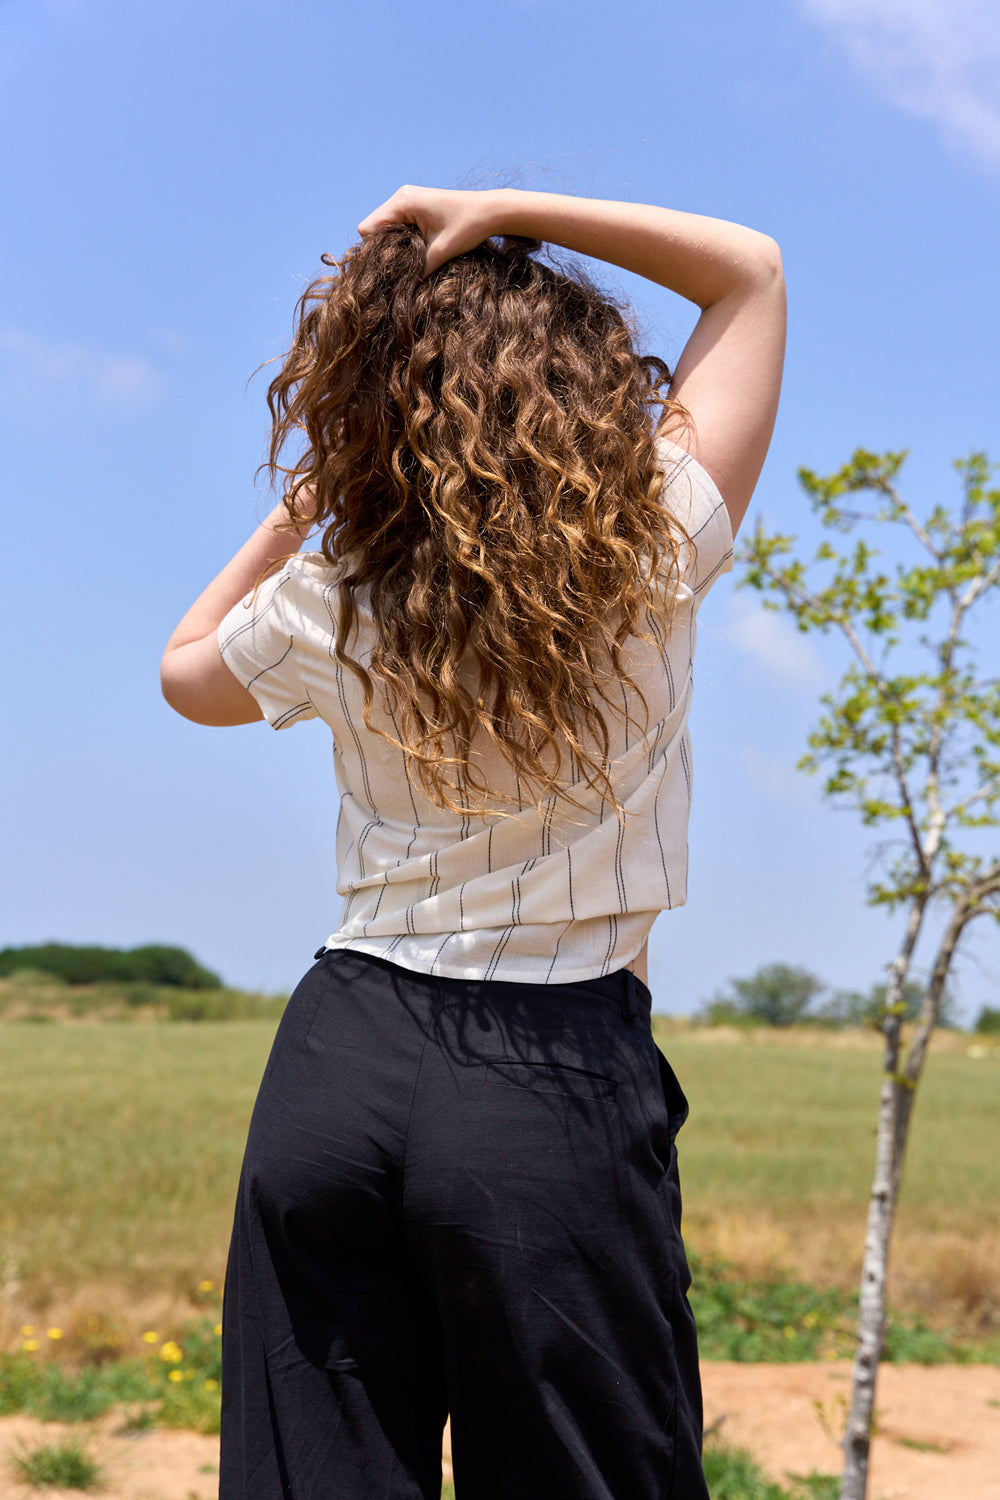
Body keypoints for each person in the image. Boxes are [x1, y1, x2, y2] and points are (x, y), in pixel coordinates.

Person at [161, 185, 785, 1500]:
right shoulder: (647, 547)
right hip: (548, 1081)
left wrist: (310, 504)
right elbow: (749, 274)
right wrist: (510, 204)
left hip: (340, 1060)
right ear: (578, 396)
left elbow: (183, 673)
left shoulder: (337, 597)